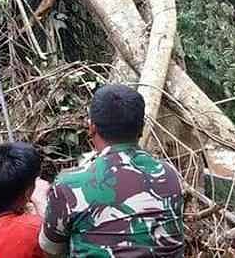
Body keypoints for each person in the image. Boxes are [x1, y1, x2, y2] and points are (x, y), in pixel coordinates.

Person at [39, 84, 184, 258]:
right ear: (142, 128)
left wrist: (40, 201)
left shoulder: (69, 185)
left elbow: (50, 250)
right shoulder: (169, 174)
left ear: (91, 128)